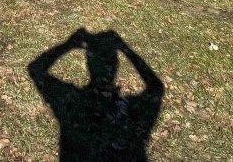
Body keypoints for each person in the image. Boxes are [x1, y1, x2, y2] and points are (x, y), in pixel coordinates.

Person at [28, 29, 164, 161]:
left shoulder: (72, 101)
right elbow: (156, 88)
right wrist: (125, 49)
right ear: (115, 65)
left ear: (88, 64)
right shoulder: (129, 110)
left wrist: (69, 44)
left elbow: (35, 69)